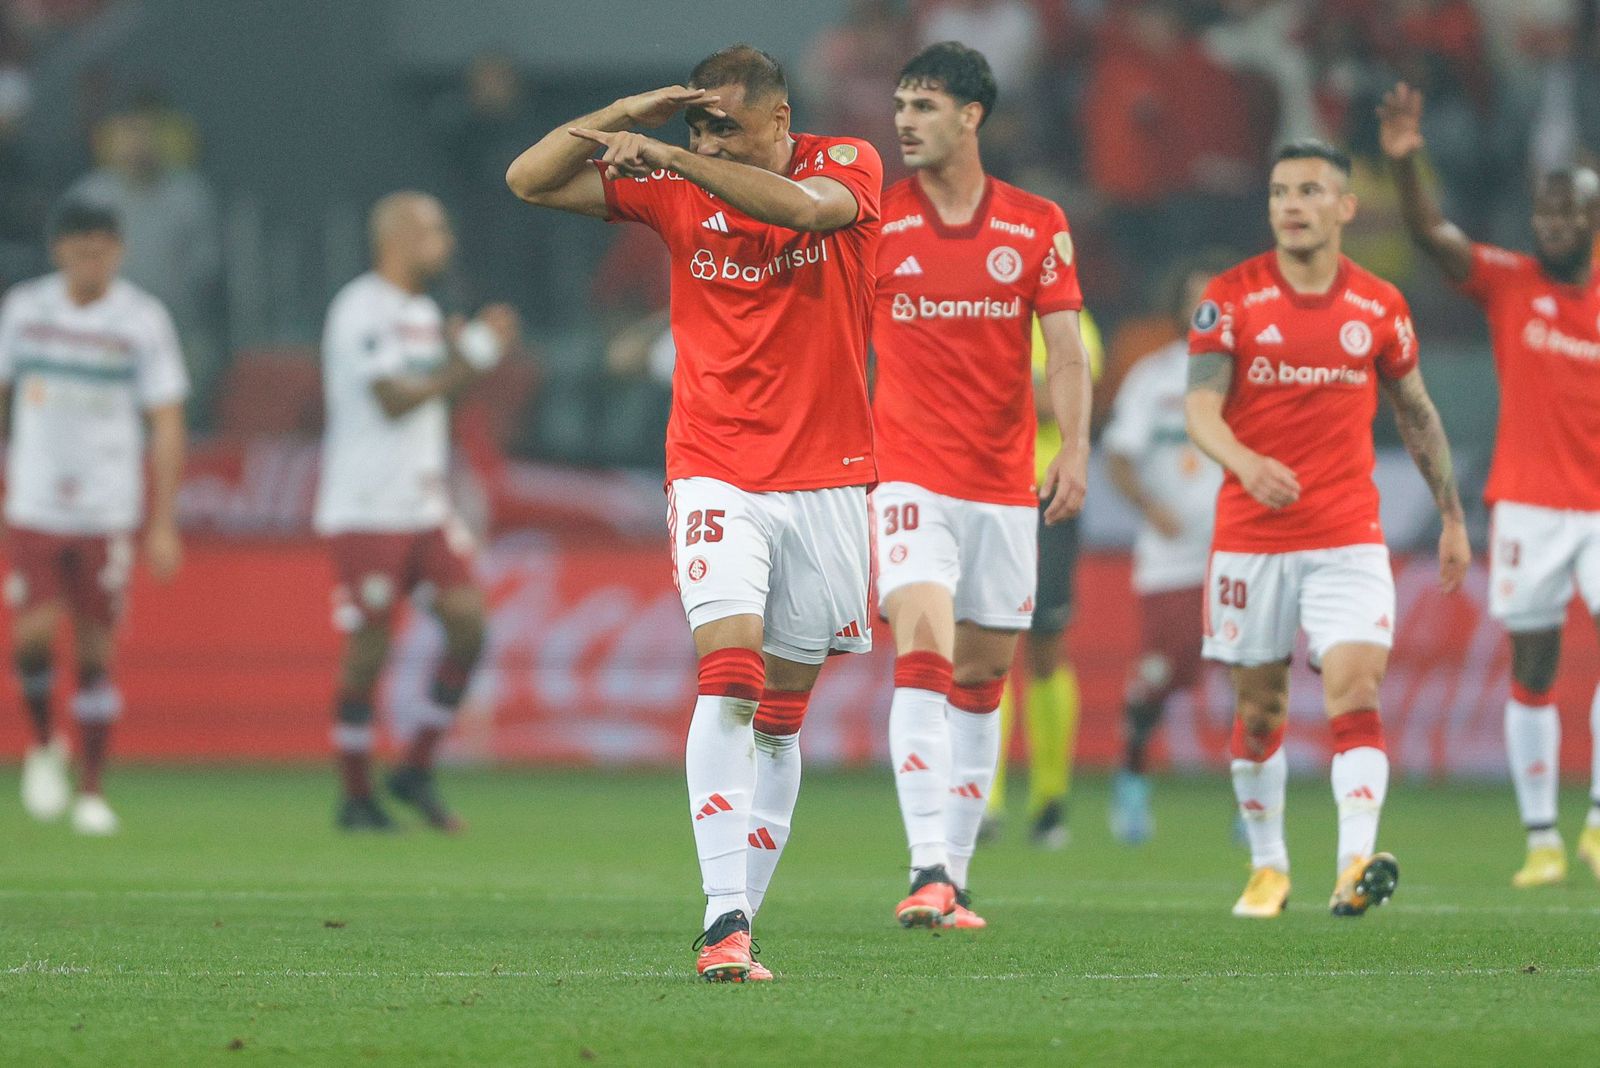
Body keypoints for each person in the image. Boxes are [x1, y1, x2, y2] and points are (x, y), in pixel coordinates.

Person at [507, 45, 881, 982]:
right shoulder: (675, 193)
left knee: (784, 716)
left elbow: (801, 212)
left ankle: (743, 911)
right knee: (733, 676)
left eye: (726, 126)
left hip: (830, 474)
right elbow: (528, 178)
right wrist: (625, 109)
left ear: (781, 123)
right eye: (696, 125)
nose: (707, 139)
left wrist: (668, 155)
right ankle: (723, 923)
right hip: (715, 467)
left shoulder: (848, 164)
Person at [1185, 140, 1470, 919]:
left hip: (1347, 534)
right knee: (1261, 713)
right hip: (1251, 538)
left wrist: (1450, 514)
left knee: (1356, 686)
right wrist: (1246, 462)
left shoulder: (1379, 305)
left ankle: (1353, 864)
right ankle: (1269, 865)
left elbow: (1415, 413)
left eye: (1310, 191)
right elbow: (1200, 408)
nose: (1292, 205)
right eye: (1280, 191)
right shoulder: (1231, 297)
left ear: (1345, 207)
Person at [872, 42, 1091, 929]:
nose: (903, 122)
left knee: (985, 676)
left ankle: (953, 880)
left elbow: (1069, 351)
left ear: (972, 116)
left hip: (1004, 487)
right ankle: (925, 860)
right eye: (899, 106)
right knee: (923, 651)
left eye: (922, 106)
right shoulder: (872, 222)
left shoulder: (1036, 223)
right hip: (908, 477)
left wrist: (1073, 448)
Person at [1380, 82, 1600, 888]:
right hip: (1532, 504)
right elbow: (1433, 234)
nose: (1552, 226)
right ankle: (1543, 838)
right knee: (1534, 669)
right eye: (1543, 214)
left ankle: (1599, 825)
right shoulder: (1512, 282)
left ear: (1593, 221)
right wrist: (1407, 166)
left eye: (1568, 214)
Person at [315, 191, 517, 835]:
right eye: (432, 228)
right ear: (396, 236)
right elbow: (394, 400)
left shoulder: (425, 313)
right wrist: (474, 357)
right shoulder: (360, 307)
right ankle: (354, 794)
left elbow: (432, 400)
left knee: (469, 625)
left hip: (423, 503)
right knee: (370, 647)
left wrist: (459, 357)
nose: (445, 239)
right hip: (366, 506)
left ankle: (415, 768)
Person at [2, 200, 187, 835]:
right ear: (59, 252)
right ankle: (45, 740)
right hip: (35, 500)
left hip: (108, 508)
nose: (92, 260)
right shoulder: (25, 310)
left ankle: (92, 787)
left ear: (120, 251)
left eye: (103, 248)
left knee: (94, 651)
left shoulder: (142, 319)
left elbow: (165, 419)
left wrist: (162, 521)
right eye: (81, 249)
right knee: (31, 635)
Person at [1102, 258, 1227, 844]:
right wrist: (1151, 509)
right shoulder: (1153, 377)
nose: (1205, 311)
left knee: (1249, 684)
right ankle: (1131, 784)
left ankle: (1252, 813)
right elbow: (1119, 456)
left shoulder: (1245, 376)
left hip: (1234, 555)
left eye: (1215, 301)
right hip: (1171, 558)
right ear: (1179, 309)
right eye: (1195, 300)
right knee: (1156, 678)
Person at [981, 310, 1101, 852]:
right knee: (984, 644)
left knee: (1045, 648)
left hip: (1044, 492)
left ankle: (1049, 799)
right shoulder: (978, 301)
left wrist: (986, 381)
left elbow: (1055, 405)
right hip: (979, 492)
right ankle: (985, 798)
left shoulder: (1070, 321)